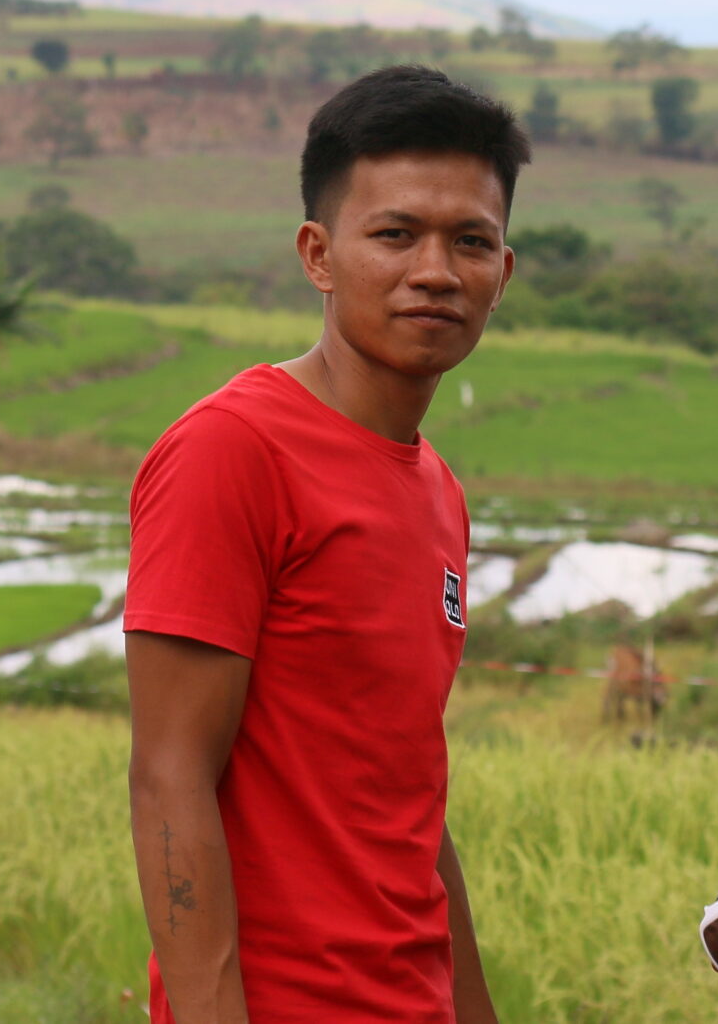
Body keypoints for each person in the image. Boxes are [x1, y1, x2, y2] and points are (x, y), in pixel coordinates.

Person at [126, 64, 523, 1024]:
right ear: (320, 252)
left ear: (502, 271)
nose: (436, 270)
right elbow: (170, 771)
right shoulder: (234, 450)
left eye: (471, 239)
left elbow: (410, 805)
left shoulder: (438, 492)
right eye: (394, 233)